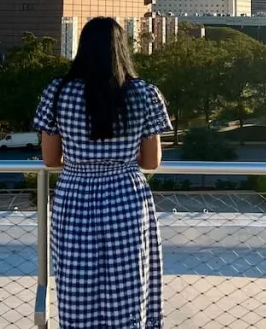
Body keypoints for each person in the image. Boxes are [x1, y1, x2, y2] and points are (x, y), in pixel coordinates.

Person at [33, 16, 172, 329]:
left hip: (75, 198)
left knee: (76, 288)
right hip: (126, 198)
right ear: (121, 49)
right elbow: (151, 162)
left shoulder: (58, 92)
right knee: (128, 288)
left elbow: (51, 159)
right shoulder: (143, 94)